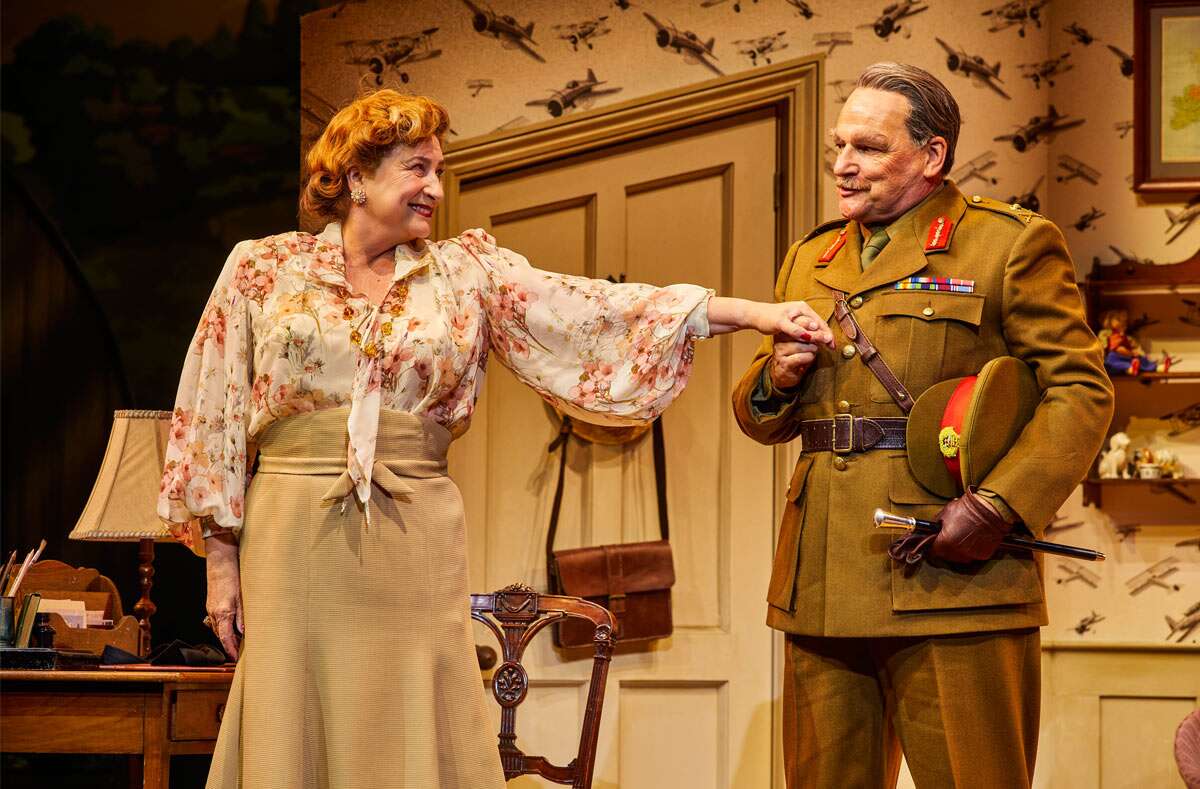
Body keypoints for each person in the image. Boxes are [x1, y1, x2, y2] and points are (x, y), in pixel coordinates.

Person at [157, 89, 826, 789]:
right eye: (418, 168)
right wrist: (221, 562)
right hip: (294, 534)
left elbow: (592, 309)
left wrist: (750, 311)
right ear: (355, 175)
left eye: (440, 171)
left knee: (416, 713)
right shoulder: (264, 269)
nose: (435, 189)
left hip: (413, 529)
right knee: (292, 717)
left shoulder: (464, 273)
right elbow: (212, 413)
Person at [731, 63, 1113, 788]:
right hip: (823, 580)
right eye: (838, 147)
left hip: (952, 567)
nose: (844, 165)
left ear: (932, 156)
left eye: (868, 148)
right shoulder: (811, 257)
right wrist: (775, 381)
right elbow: (759, 413)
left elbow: (1081, 390)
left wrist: (1000, 504)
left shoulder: (1006, 245)